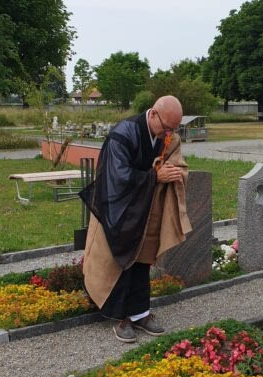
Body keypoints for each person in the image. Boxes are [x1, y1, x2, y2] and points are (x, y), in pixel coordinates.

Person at [79, 95, 192, 342]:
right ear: (153, 114)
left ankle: (140, 312)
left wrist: (173, 172)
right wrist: (154, 177)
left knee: (142, 259)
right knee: (120, 258)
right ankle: (120, 317)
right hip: (117, 207)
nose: (168, 134)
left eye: (173, 129)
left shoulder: (166, 137)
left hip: (145, 207)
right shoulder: (123, 133)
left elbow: (176, 162)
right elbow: (117, 176)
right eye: (165, 127)